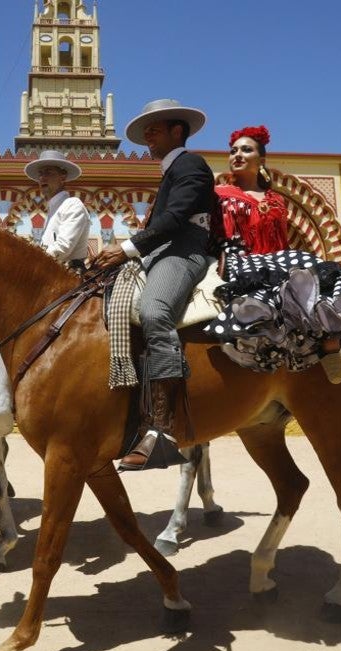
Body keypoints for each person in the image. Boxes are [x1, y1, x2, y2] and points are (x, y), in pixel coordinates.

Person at [199, 123, 341, 388]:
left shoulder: (276, 201)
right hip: (239, 262)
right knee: (307, 263)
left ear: (261, 159)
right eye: (233, 151)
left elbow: (280, 243)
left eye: (246, 150)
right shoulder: (219, 194)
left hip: (273, 261)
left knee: (318, 273)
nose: (237, 155)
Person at [88, 98, 218, 471]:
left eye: (155, 129)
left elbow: (177, 220)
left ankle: (162, 430)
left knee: (153, 310)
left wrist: (128, 248)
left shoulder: (190, 164)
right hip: (160, 252)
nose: (147, 136)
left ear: (178, 131)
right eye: (146, 131)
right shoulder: (170, 171)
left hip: (184, 250)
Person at [24, 150, 90, 269]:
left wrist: (31, 261)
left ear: (62, 177)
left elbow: (63, 248)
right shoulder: (53, 209)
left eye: (48, 172)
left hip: (69, 277)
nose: (42, 178)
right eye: (41, 174)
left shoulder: (72, 205)